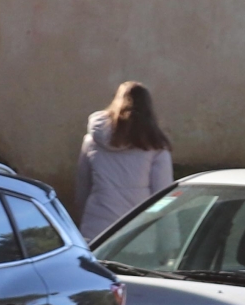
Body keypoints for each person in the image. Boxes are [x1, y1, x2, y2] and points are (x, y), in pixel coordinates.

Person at [73, 82, 174, 238]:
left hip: (96, 231)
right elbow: (163, 198)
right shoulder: (155, 146)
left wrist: (83, 223)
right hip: (138, 233)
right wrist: (169, 242)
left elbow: (82, 189)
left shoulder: (92, 141)